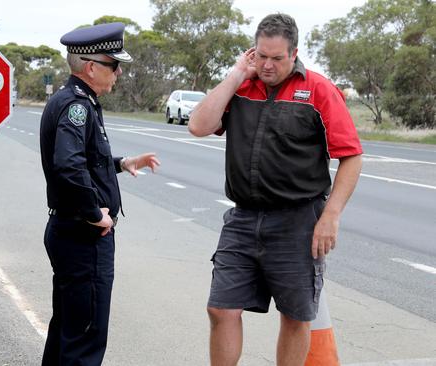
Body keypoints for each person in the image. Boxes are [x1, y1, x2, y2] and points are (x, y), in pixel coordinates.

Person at [188, 14, 363, 365]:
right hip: (243, 219)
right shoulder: (240, 87)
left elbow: (351, 157)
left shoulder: (318, 90)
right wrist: (237, 73)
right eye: (261, 55)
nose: (267, 65)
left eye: (276, 58)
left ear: (294, 53)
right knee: (221, 309)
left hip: (298, 221)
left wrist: (331, 216)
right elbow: (198, 125)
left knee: (295, 316)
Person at [39, 22, 160, 366]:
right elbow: (69, 165)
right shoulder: (77, 105)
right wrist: (95, 213)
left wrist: (122, 163)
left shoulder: (75, 101)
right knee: (85, 339)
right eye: (114, 64)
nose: (119, 72)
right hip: (83, 236)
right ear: (91, 67)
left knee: (67, 329)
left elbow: (86, 160)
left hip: (70, 232)